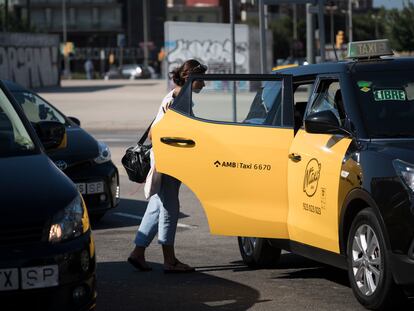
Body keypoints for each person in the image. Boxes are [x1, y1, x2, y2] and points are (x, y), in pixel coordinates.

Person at [128, 59, 207, 273]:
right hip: (169, 160)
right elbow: (157, 133)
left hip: (165, 158)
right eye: (202, 79)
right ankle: (169, 260)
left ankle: (138, 252)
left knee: (156, 207)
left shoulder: (174, 96)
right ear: (192, 77)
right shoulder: (177, 99)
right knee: (170, 208)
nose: (205, 84)